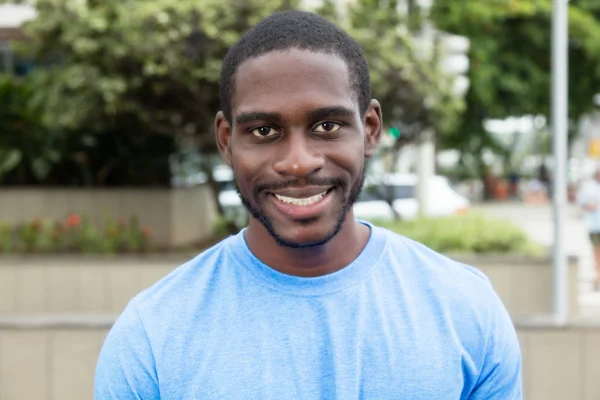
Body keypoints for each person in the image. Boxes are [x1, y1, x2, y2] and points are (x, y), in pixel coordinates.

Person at [94, 10, 522, 399]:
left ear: (370, 129)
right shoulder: (152, 335)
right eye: (264, 131)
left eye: (327, 125)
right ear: (226, 141)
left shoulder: (465, 311)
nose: (298, 162)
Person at [577, 169, 600, 291]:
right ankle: (597, 278)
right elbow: (581, 202)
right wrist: (589, 206)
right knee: (597, 253)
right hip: (595, 225)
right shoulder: (589, 187)